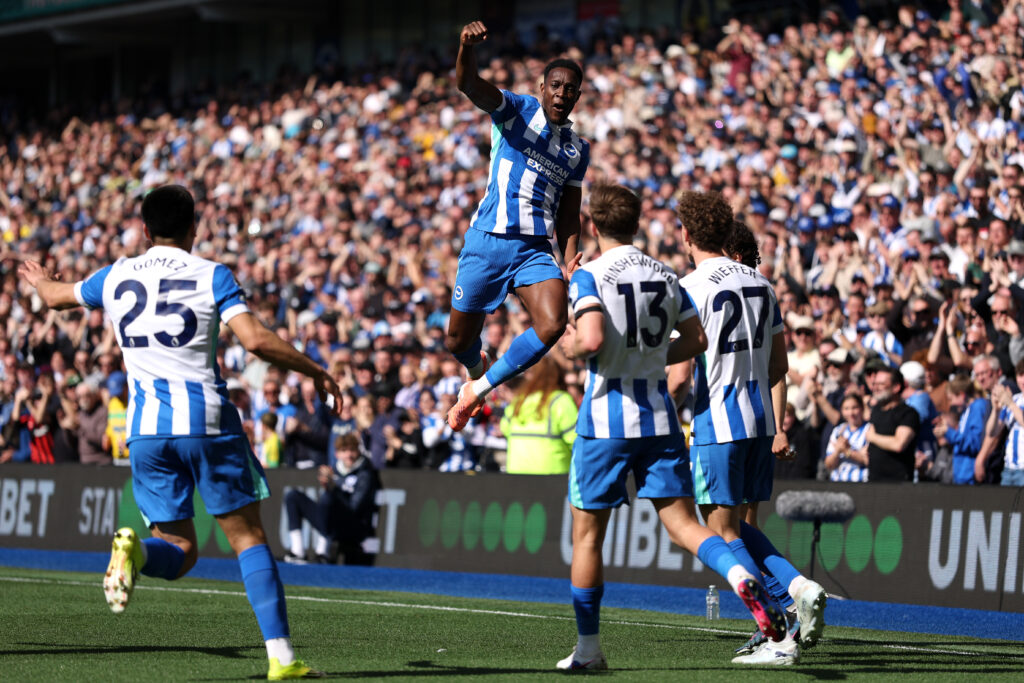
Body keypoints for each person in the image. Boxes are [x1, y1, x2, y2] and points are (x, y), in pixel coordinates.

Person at [18, 184, 341, 680]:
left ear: (144, 230)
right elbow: (253, 340)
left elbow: (59, 298)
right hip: (207, 423)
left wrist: (40, 281)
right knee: (248, 539)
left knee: (180, 548)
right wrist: (314, 369)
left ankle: (134, 548)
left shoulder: (118, 273)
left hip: (145, 431)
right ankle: (281, 659)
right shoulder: (211, 273)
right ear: (196, 227)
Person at [557, 184, 784, 671]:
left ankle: (589, 650)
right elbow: (696, 340)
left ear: (594, 226)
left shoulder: (590, 275)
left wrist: (570, 343)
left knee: (588, 538)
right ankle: (740, 576)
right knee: (685, 525)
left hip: (606, 419)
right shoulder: (665, 274)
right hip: (660, 417)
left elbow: (591, 339)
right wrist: (653, 356)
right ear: (639, 222)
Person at [677, 191, 826, 665]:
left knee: (719, 532)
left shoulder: (690, 286)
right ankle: (795, 589)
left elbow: (680, 373)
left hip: (716, 421)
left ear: (686, 236)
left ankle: (778, 632)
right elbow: (780, 364)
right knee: (738, 525)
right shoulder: (762, 284)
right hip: (761, 421)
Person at [445, 20, 589, 432]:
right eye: (556, 86)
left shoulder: (578, 151)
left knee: (552, 323)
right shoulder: (516, 110)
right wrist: (465, 47)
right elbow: (468, 83)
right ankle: (477, 367)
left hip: (535, 250)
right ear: (543, 87)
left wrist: (570, 258)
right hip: (487, 241)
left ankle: (479, 388)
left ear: (577, 97)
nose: (562, 93)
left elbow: (569, 211)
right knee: (457, 341)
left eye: (570, 89)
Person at [283, 433, 381, 565]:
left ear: (358, 451)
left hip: (353, 526)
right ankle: (298, 551)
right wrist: (328, 486)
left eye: (352, 450)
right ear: (337, 454)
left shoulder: (365, 474)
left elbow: (354, 507)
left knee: (328, 497)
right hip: (330, 523)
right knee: (293, 496)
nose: (349, 455)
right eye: (344, 451)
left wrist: (333, 488)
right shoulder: (334, 470)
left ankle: (322, 552)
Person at [499, 355, 577, 474]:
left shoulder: (518, 402)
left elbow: (504, 428)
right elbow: (577, 442)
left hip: (515, 479)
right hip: (553, 481)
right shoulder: (561, 401)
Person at [865, 366, 921, 482]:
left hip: (898, 484)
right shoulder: (876, 410)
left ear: (896, 387)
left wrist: (873, 437)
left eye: (881, 384)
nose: (876, 388)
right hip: (874, 481)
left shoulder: (908, 413)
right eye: (874, 384)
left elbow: (899, 444)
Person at [976, 360, 1024, 486]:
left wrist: (1010, 404)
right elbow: (992, 432)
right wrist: (996, 410)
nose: (1022, 380)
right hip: (1009, 469)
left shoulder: (1012, 402)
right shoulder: (1015, 399)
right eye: (1020, 375)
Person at [824, 394, 870, 482]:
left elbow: (867, 460)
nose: (851, 413)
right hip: (838, 482)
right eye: (846, 409)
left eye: (855, 408)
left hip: (860, 482)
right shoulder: (838, 431)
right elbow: (829, 464)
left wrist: (846, 451)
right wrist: (837, 451)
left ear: (862, 408)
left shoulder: (869, 429)